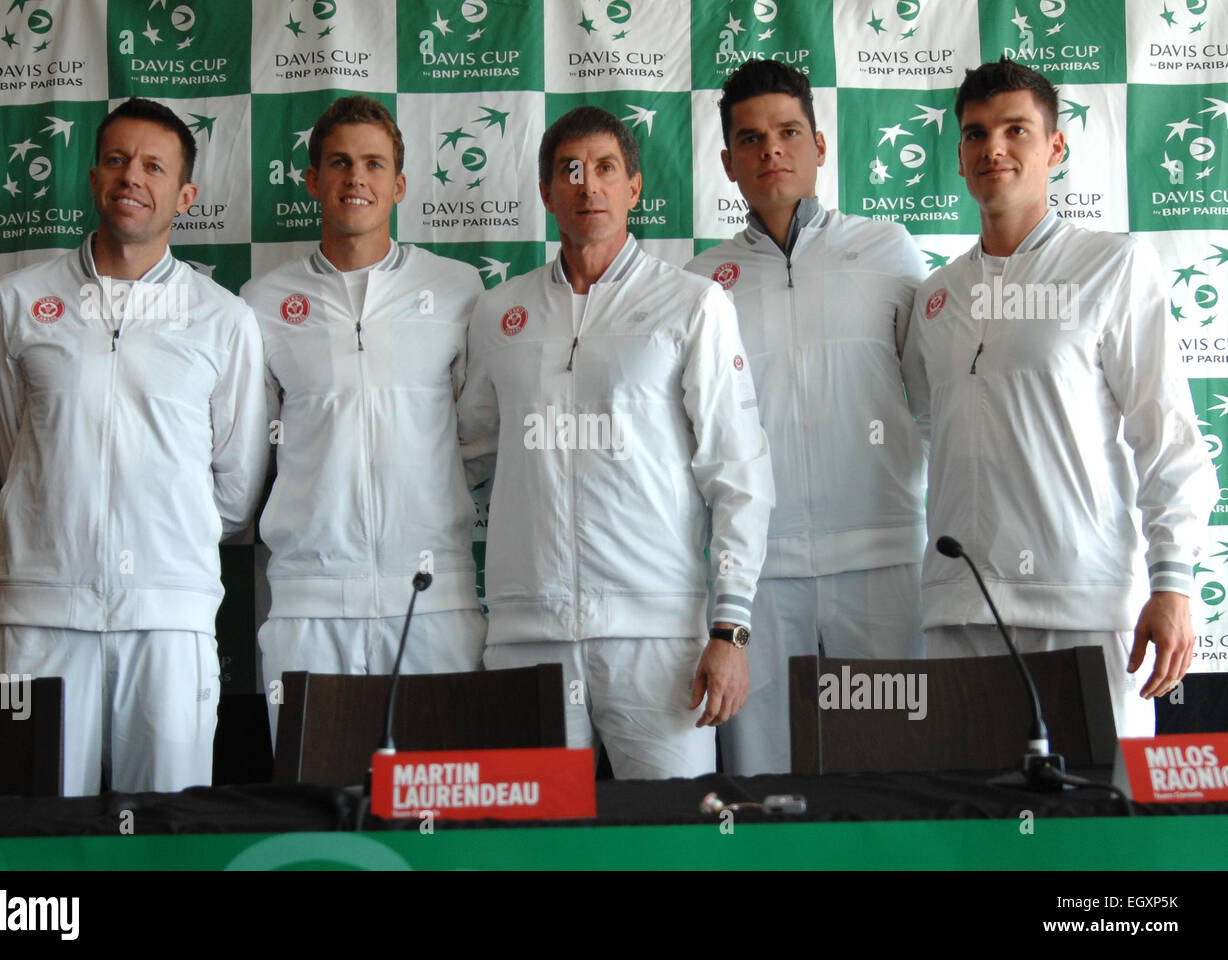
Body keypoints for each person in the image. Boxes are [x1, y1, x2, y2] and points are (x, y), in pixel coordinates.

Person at [903, 58, 1217, 737]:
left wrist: (1173, 580)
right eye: (976, 132)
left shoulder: (1115, 265)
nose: (994, 147)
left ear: (1055, 147)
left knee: (1104, 834)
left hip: (1085, 605)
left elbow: (1166, 435)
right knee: (973, 834)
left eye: (1017, 129)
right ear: (959, 155)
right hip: (960, 611)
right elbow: (923, 439)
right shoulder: (935, 297)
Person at [458, 106, 775, 779]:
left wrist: (730, 629)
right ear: (546, 193)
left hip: (658, 641)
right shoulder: (497, 313)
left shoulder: (692, 305)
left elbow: (739, 474)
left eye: (605, 169)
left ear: (634, 188)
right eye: (570, 172)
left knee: (671, 846)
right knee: (531, 846)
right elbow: (468, 459)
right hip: (526, 636)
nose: (587, 186)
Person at [0, 98, 268, 795]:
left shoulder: (224, 318)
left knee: (168, 837)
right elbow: (16, 448)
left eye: (152, 166)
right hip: (42, 614)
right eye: (116, 160)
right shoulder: (18, 300)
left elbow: (235, 490)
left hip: (169, 618)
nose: (130, 178)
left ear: (184, 193)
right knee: (29, 833)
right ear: (92, 179)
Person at [686, 60, 929, 775]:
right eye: (752, 139)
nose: (772, 151)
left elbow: (938, 400)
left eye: (789, 132)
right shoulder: (701, 282)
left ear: (820, 145)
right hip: (758, 576)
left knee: (895, 777)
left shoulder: (889, 251)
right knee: (763, 789)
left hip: (885, 560)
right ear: (728, 163)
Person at [240, 96, 486, 747]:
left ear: (399, 185)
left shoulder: (459, 290)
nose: (357, 178)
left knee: (440, 822)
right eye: (340, 163)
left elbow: (480, 437)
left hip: (434, 597)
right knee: (319, 817)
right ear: (312, 180)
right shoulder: (261, 302)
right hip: (308, 601)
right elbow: (247, 452)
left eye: (374, 164)